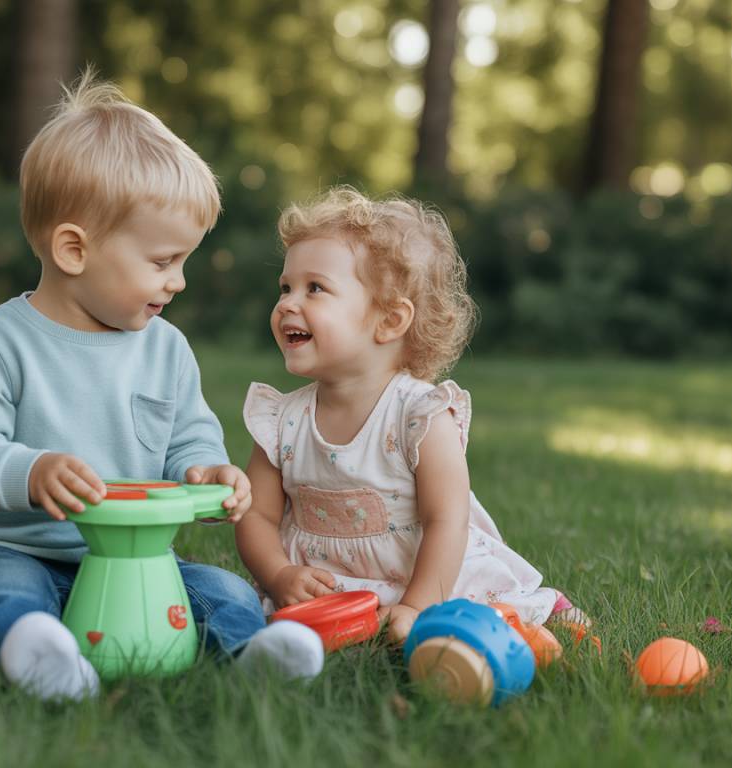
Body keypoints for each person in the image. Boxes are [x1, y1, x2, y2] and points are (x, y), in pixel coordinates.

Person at [0, 72, 324, 701]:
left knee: (219, 591)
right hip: (12, 548)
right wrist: (32, 472)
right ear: (73, 250)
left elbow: (188, 435)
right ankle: (33, 654)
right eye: (163, 261)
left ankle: (253, 655)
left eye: (184, 261)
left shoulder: (165, 349)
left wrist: (207, 469)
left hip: (133, 561)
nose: (179, 282)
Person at [235, 186, 587, 645]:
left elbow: (448, 520)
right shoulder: (282, 420)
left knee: (478, 620)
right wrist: (280, 574)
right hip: (327, 581)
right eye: (285, 287)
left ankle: (538, 605)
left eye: (315, 288)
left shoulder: (419, 416)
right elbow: (256, 516)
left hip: (425, 574)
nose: (286, 304)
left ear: (390, 321)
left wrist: (418, 606)